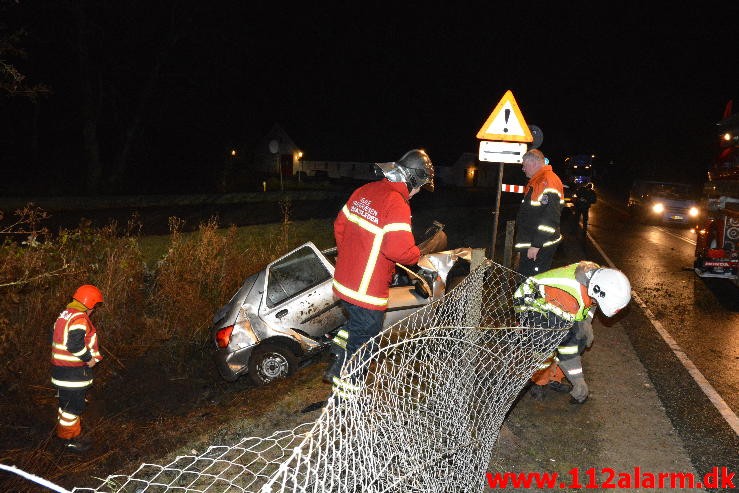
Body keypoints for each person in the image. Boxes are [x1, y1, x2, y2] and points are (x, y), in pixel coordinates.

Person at [324, 149, 435, 393]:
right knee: (364, 344)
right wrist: (417, 254)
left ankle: (336, 359)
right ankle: (347, 400)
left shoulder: (364, 191)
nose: (417, 193)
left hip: (344, 284)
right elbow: (399, 250)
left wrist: (351, 257)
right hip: (367, 292)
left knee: (354, 327)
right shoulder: (396, 203)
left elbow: (340, 225)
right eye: (419, 187)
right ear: (413, 180)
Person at [514, 261, 631, 404]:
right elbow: (567, 350)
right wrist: (578, 381)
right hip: (531, 303)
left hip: (554, 301)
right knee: (547, 343)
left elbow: (591, 304)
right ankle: (538, 381)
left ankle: (553, 376)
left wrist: (585, 324)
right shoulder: (568, 299)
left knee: (581, 337)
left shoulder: (597, 276)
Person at [50, 284, 104, 453]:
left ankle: (66, 431)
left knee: (65, 406)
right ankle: (69, 439)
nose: (93, 311)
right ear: (89, 304)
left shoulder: (65, 315)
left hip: (61, 371)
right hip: (72, 374)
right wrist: (89, 359)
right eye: (94, 307)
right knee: (73, 407)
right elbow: (74, 344)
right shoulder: (79, 318)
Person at [514, 149, 565, 277]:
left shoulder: (547, 180)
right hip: (533, 243)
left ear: (534, 163)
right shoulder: (537, 180)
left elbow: (551, 218)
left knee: (532, 284)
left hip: (540, 246)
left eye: (524, 165)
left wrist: (536, 245)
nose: (522, 168)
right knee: (527, 283)